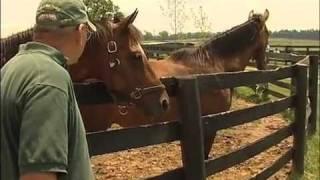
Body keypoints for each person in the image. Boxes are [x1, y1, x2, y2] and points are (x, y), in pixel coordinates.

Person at [1, 0, 96, 179]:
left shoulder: (11, 68)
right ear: (81, 32)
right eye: (88, 34)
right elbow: (38, 175)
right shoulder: (50, 78)